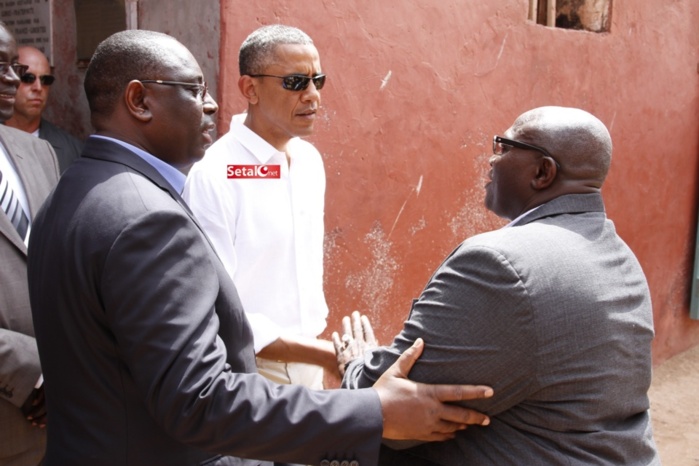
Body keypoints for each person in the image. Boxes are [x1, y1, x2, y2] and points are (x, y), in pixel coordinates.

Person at [27, 29, 494, 466]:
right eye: (194, 90)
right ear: (139, 100)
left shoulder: (72, 192)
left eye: (319, 80)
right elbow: (199, 399)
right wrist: (372, 409)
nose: (210, 106)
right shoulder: (154, 216)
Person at [337, 106, 660, 465]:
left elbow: (385, 405)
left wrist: (353, 363)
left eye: (504, 147)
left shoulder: (500, 263)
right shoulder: (617, 252)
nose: (491, 160)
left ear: (543, 172)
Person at [183, 25, 336, 388]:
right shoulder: (214, 175)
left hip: (312, 360)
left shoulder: (309, 161)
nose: (312, 96)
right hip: (250, 371)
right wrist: (329, 355)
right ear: (250, 88)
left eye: (318, 81)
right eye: (296, 82)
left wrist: (319, 355)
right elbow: (216, 306)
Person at [0, 23, 59, 466]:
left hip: (60, 417)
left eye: (12, 68)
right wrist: (32, 373)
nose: (12, 81)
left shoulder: (39, 153)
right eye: (1, 68)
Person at [5, 46, 83, 174]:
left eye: (45, 80)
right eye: (28, 78)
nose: (38, 87)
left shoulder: (73, 151)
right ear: (8, 80)